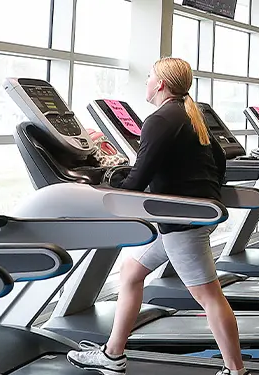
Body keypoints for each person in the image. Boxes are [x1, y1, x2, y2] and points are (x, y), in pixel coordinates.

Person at [68, 58, 247, 375]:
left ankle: (236, 370)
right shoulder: (193, 115)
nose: (146, 81)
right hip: (181, 217)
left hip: (181, 221)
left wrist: (107, 182)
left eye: (149, 76)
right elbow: (219, 162)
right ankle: (113, 354)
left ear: (161, 84)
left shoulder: (160, 119)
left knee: (209, 297)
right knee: (131, 272)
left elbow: (138, 178)